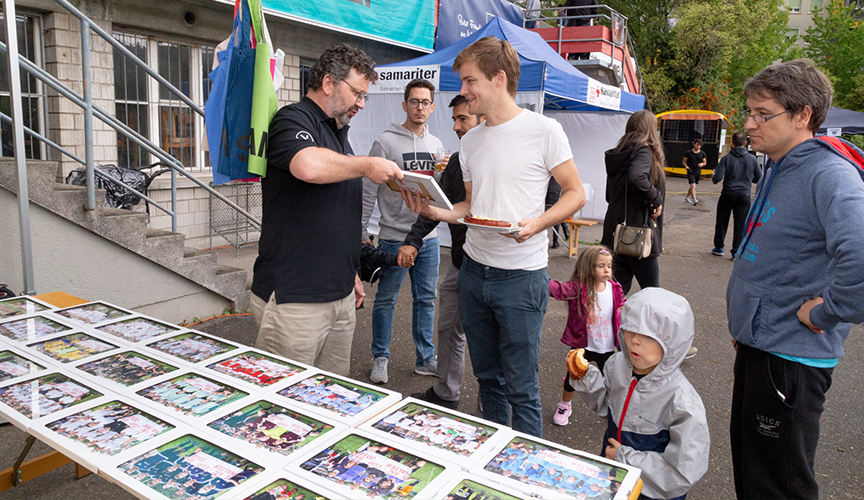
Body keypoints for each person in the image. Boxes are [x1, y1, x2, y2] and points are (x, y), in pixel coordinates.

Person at [403, 36, 586, 437]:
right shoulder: (471, 141)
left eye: (470, 81)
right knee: (487, 380)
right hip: (473, 273)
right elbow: (469, 206)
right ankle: (494, 465)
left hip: (521, 278)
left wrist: (538, 223)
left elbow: (576, 192)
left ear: (498, 78)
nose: (464, 91)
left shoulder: (544, 130)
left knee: (521, 387)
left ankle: (525, 474)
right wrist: (432, 210)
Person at [728, 59, 864, 500]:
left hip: (790, 360)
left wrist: (827, 313)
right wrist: (748, 324)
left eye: (762, 114)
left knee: (778, 485)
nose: (749, 123)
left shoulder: (829, 173)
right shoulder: (778, 165)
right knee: (755, 473)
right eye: (749, 111)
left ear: (803, 115)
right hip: (763, 346)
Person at [250, 43, 402, 376]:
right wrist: (365, 165)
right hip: (296, 300)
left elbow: (331, 213)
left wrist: (350, 272)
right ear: (329, 83)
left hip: (340, 295)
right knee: (281, 404)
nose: (361, 103)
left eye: (365, 96)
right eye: (357, 93)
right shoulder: (292, 118)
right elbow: (307, 166)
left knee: (329, 397)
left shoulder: (338, 134)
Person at [567, 288, 710, 500]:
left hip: (650, 489)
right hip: (612, 469)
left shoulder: (682, 401)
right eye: (631, 329)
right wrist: (586, 378)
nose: (635, 340)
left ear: (673, 342)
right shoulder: (617, 365)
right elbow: (608, 406)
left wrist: (624, 460)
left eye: (648, 336)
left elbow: (683, 472)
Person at [403, 94, 484, 409]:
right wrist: (413, 239)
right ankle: (446, 392)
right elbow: (438, 206)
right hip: (460, 264)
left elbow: (553, 191)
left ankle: (489, 410)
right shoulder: (455, 162)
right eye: (454, 120)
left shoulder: (500, 155)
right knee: (448, 326)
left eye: (462, 119)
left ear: (481, 118)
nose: (456, 127)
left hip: (495, 269)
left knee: (486, 340)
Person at [362, 78, 444, 383]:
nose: (420, 107)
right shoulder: (385, 142)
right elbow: (369, 190)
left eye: (425, 102)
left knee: (426, 299)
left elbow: (436, 191)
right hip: (394, 236)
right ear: (404, 105)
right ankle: (380, 356)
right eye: (414, 101)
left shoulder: (436, 146)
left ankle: (425, 358)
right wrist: (362, 231)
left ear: (432, 107)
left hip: (428, 238)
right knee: (387, 299)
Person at [549, 245, 625, 427]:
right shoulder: (579, 288)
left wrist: (624, 309)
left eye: (609, 266)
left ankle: (613, 408)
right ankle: (565, 405)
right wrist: (535, 275)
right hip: (582, 345)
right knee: (573, 377)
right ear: (589, 268)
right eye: (601, 266)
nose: (607, 270)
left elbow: (622, 302)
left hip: (607, 345)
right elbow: (558, 290)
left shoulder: (614, 288)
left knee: (612, 379)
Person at [600, 110, 665, 295]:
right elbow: (637, 177)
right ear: (651, 129)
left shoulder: (618, 154)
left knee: (616, 292)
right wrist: (656, 199)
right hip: (638, 233)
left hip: (615, 231)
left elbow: (609, 196)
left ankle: (612, 324)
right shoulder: (644, 150)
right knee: (653, 292)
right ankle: (647, 325)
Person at [710, 131, 761, 258]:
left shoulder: (726, 158)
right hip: (744, 194)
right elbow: (759, 178)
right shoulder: (752, 159)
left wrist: (713, 176)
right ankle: (736, 251)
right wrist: (750, 179)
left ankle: (719, 247)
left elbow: (718, 178)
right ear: (745, 143)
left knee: (722, 220)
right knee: (740, 223)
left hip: (728, 193)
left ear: (732, 143)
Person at [546, 178, 570, 249]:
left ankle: (557, 240)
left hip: (547, 202)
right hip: (555, 201)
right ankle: (557, 240)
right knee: (558, 217)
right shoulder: (561, 178)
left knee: (557, 217)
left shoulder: (547, 177)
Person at [682, 139, 707, 204]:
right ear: (694, 144)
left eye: (700, 145)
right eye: (697, 145)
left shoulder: (702, 153)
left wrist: (702, 164)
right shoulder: (688, 153)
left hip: (698, 171)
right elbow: (684, 161)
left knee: (693, 186)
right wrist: (686, 166)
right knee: (693, 186)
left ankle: (687, 197)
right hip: (690, 171)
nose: (698, 146)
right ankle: (694, 199)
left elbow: (705, 162)